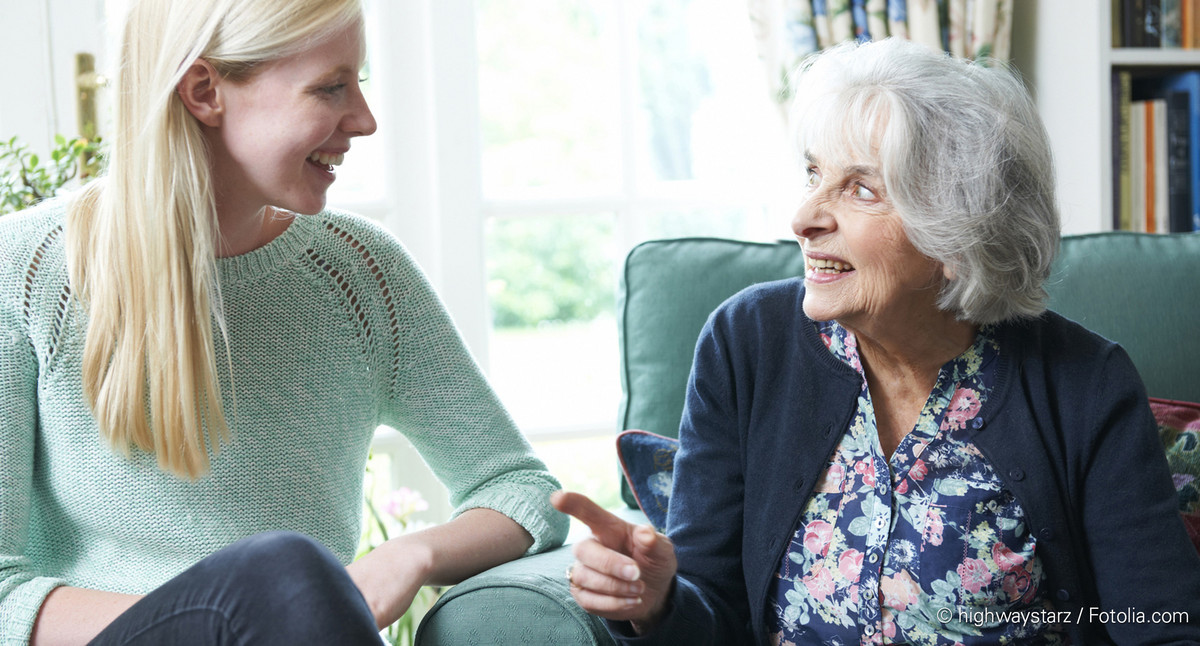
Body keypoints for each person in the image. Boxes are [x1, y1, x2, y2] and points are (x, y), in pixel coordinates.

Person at [552, 38, 1200, 645]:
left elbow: (1160, 623)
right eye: (813, 174)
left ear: (957, 232)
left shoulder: (1083, 382)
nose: (804, 218)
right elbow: (711, 611)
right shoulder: (745, 344)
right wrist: (660, 599)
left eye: (860, 188)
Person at [0, 1, 567, 643]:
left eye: (360, 82)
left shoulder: (362, 275)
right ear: (205, 91)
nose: (365, 119)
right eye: (331, 86)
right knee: (284, 569)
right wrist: (234, 622)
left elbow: (518, 487)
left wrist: (411, 555)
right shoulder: (27, 271)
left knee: (290, 576)